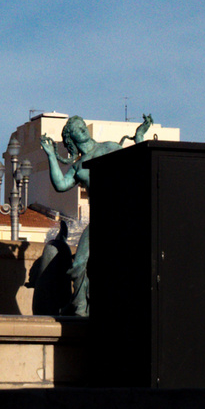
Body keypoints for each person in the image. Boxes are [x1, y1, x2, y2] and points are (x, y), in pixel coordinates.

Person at [38, 114, 153, 316]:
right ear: (70, 138)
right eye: (76, 128)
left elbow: (137, 161)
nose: (81, 128)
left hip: (122, 215)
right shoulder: (78, 167)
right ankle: (80, 308)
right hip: (99, 221)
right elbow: (60, 185)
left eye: (82, 125)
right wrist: (50, 155)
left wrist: (140, 136)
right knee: (79, 264)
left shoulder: (109, 148)